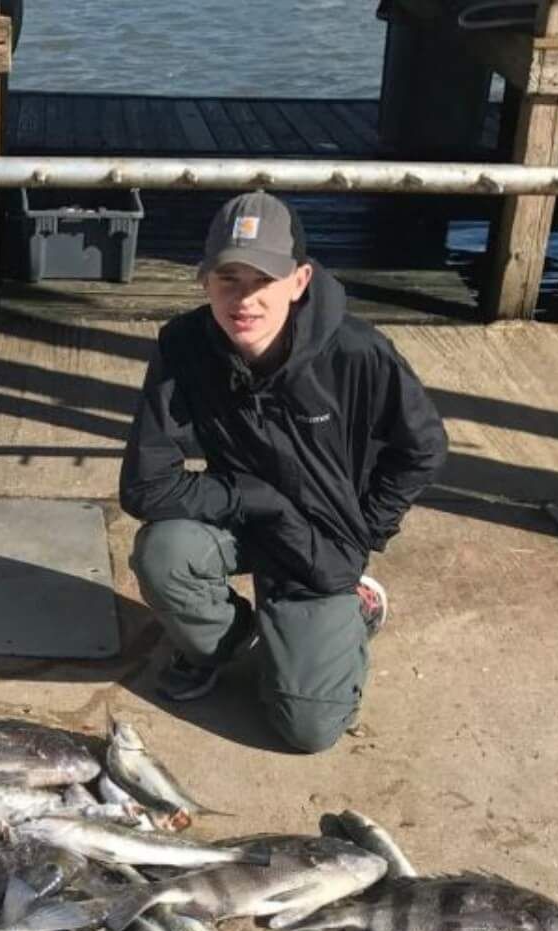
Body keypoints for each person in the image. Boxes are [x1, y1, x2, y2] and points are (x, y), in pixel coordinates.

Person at [119, 190, 447, 753]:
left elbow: (423, 447)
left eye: (262, 281)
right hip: (241, 516)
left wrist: (367, 528)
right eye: (228, 279)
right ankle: (224, 644)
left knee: (307, 729)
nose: (243, 300)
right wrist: (249, 497)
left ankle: (355, 608)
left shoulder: (357, 352)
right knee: (163, 551)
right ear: (204, 282)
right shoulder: (184, 348)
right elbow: (145, 484)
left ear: (299, 282)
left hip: (322, 541)